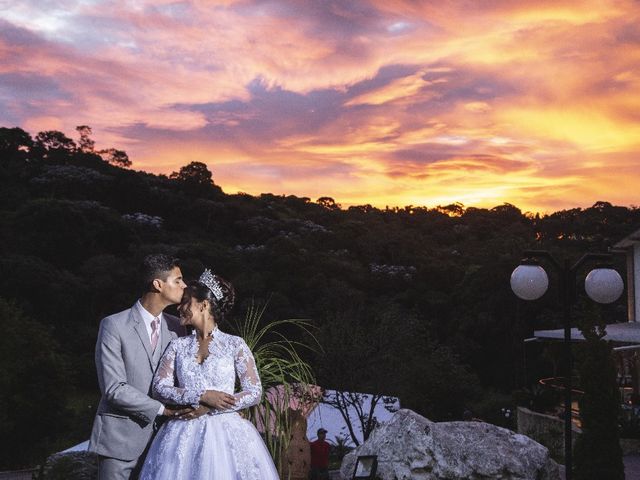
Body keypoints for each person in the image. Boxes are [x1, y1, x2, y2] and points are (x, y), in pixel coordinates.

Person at [139, 269, 279, 479]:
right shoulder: (177, 346)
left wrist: (210, 407)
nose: (180, 307)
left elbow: (254, 391)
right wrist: (201, 396)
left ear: (203, 305)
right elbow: (160, 388)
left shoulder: (235, 345)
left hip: (226, 436)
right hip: (181, 435)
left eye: (186, 302)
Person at [89, 254, 189, 479]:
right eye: (178, 280)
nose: (184, 286)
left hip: (163, 441)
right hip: (120, 440)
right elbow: (114, 388)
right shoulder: (114, 325)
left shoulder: (177, 328)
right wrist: (162, 410)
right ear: (158, 284)